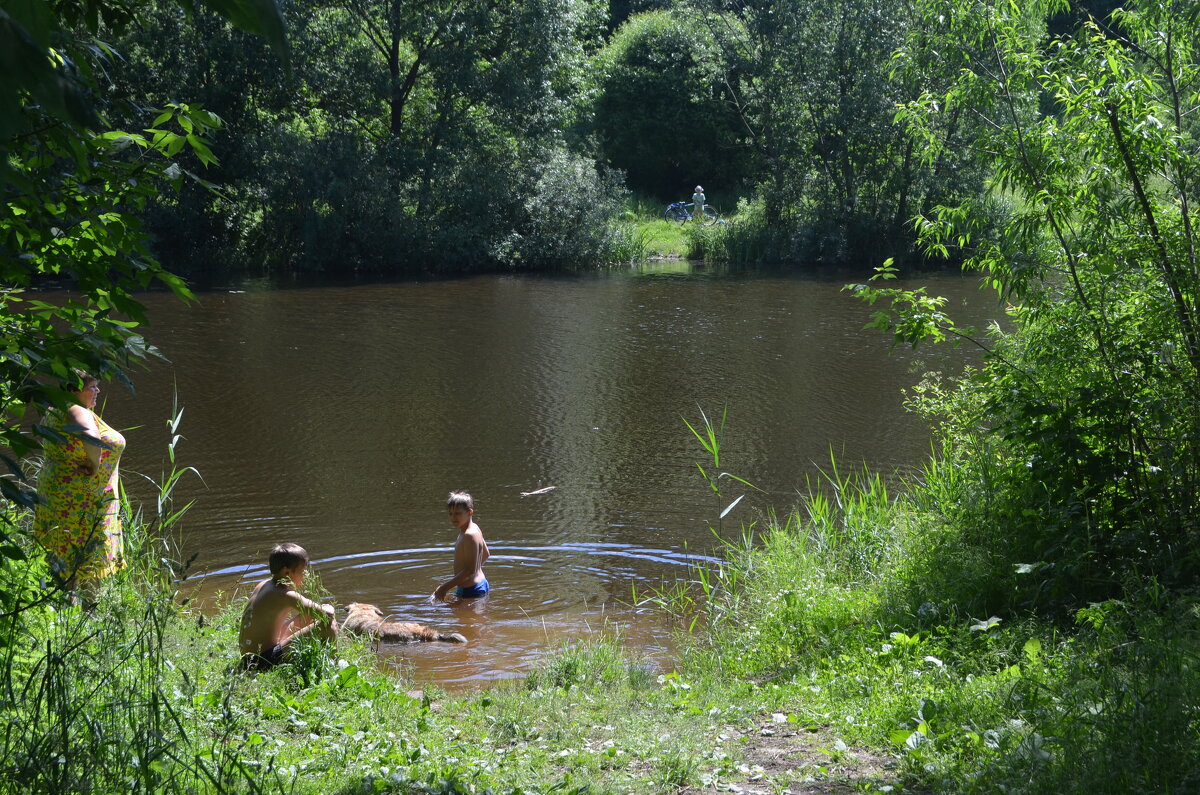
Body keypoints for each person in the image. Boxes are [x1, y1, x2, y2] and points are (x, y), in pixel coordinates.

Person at [33, 370, 127, 586]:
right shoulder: (76, 409)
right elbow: (90, 437)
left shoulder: (55, 409)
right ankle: (85, 612)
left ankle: (67, 608)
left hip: (59, 492)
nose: (98, 390)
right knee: (84, 556)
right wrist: (95, 465)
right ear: (74, 390)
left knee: (66, 555)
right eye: (92, 387)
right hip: (80, 497)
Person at [239, 542, 339, 670]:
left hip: (248, 657)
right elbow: (327, 614)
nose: (305, 575)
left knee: (309, 615)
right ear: (287, 572)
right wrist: (329, 607)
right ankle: (333, 666)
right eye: (303, 571)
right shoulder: (285, 595)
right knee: (327, 623)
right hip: (261, 661)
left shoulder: (264, 584)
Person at [431, 491, 491, 602]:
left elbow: (469, 570)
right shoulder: (475, 528)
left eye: (458, 513)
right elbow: (486, 554)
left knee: (461, 618)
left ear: (470, 512)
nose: (453, 517)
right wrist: (476, 572)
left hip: (470, 589)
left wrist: (444, 588)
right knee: (476, 618)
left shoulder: (469, 535)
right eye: (450, 514)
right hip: (480, 583)